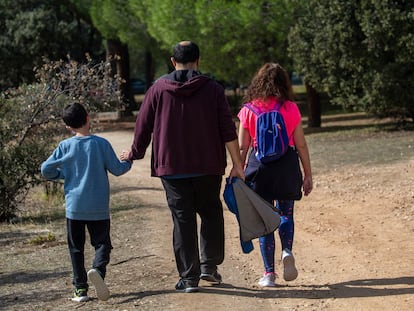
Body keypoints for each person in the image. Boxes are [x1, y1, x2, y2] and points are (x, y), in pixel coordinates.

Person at [122, 41, 245, 293]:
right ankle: (208, 267)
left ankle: (189, 279)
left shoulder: (157, 90)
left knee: (182, 220)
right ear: (198, 61)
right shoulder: (213, 89)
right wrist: (237, 164)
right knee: (211, 213)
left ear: (172, 61)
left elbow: (143, 126)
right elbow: (227, 129)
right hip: (208, 165)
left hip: (172, 168)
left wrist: (134, 153)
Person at [41, 102, 132, 302]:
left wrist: (62, 174)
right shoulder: (101, 144)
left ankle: (80, 289)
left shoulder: (65, 146)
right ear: (88, 118)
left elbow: (45, 169)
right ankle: (98, 270)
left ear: (68, 126)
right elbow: (118, 169)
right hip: (98, 207)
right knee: (102, 244)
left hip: (74, 208)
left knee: (76, 248)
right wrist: (129, 159)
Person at [237, 63, 313, 287]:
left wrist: (238, 171)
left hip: (260, 168)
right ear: (284, 83)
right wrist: (308, 174)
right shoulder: (290, 108)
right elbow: (301, 145)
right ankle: (287, 250)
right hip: (287, 165)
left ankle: (269, 274)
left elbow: (243, 147)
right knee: (286, 212)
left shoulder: (248, 110)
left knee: (265, 219)